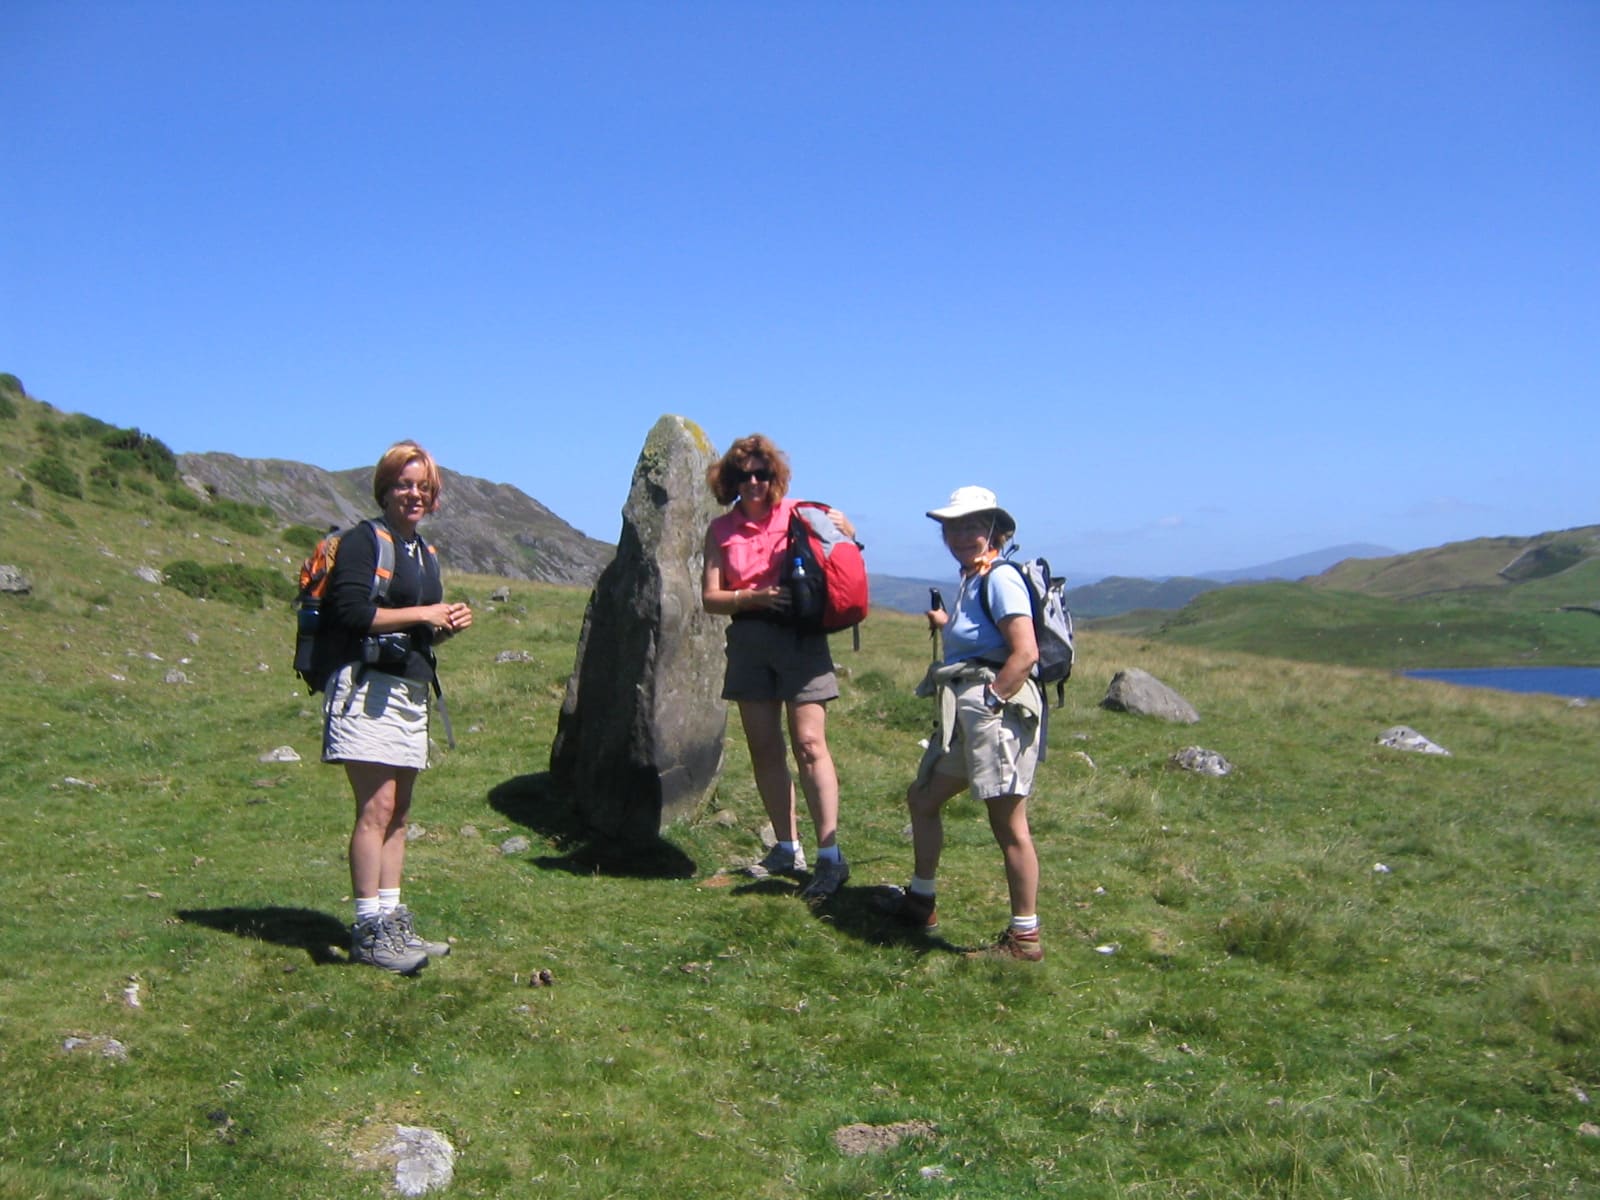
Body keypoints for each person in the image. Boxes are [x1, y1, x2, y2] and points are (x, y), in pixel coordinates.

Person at [322, 440, 473, 973]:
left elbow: (413, 631)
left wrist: (442, 625)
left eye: (423, 487)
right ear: (385, 489)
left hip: (408, 690)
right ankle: (368, 931)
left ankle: (391, 921)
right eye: (405, 484)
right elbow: (352, 612)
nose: (414, 494)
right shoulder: (367, 541)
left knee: (400, 814)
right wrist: (425, 610)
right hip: (366, 689)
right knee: (376, 809)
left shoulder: (423, 552)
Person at [882, 486, 1046, 960]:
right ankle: (922, 901)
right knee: (923, 797)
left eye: (972, 525)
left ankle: (1024, 939)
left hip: (995, 711)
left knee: (1008, 824)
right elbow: (980, 636)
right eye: (953, 526)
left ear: (994, 531)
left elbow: (1025, 652)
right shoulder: (973, 578)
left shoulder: (1001, 579)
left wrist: (993, 700)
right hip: (970, 712)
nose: (960, 534)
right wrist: (946, 622)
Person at [702, 434, 855, 901]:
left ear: (774, 478)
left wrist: (845, 529)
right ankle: (787, 848)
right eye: (743, 474)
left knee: (810, 744)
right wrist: (751, 597)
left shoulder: (799, 514)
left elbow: (841, 553)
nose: (752, 482)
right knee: (764, 747)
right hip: (749, 640)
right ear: (730, 480)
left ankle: (830, 855)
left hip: (801, 638)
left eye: (761, 474)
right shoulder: (720, 530)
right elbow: (710, 597)